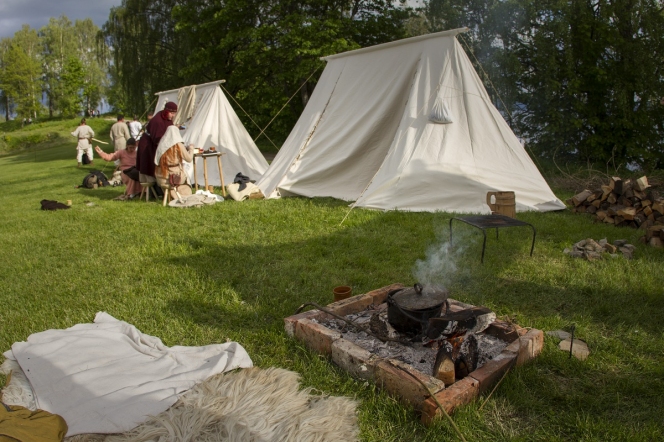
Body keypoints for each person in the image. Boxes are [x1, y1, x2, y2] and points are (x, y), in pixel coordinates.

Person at [136, 102, 176, 179]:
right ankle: (153, 188)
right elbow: (158, 139)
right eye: (172, 113)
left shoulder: (167, 118)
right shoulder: (157, 121)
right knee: (150, 167)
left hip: (155, 143)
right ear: (166, 111)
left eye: (174, 113)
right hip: (148, 145)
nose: (173, 115)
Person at [154, 125, 195, 199]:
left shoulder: (161, 144)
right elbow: (189, 159)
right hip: (174, 178)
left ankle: (172, 195)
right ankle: (179, 194)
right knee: (185, 175)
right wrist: (191, 149)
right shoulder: (178, 145)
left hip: (161, 177)